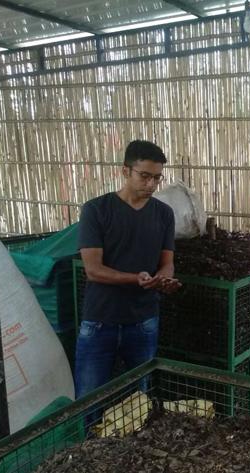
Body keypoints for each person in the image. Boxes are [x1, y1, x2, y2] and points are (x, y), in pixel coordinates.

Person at [75, 140, 181, 401]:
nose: (151, 185)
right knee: (89, 397)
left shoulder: (164, 214)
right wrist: (137, 279)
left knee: (139, 399)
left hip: (144, 320)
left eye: (156, 178)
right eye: (144, 176)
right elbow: (93, 270)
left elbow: (167, 262)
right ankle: (88, 442)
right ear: (125, 171)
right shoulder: (96, 210)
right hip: (100, 320)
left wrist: (164, 279)